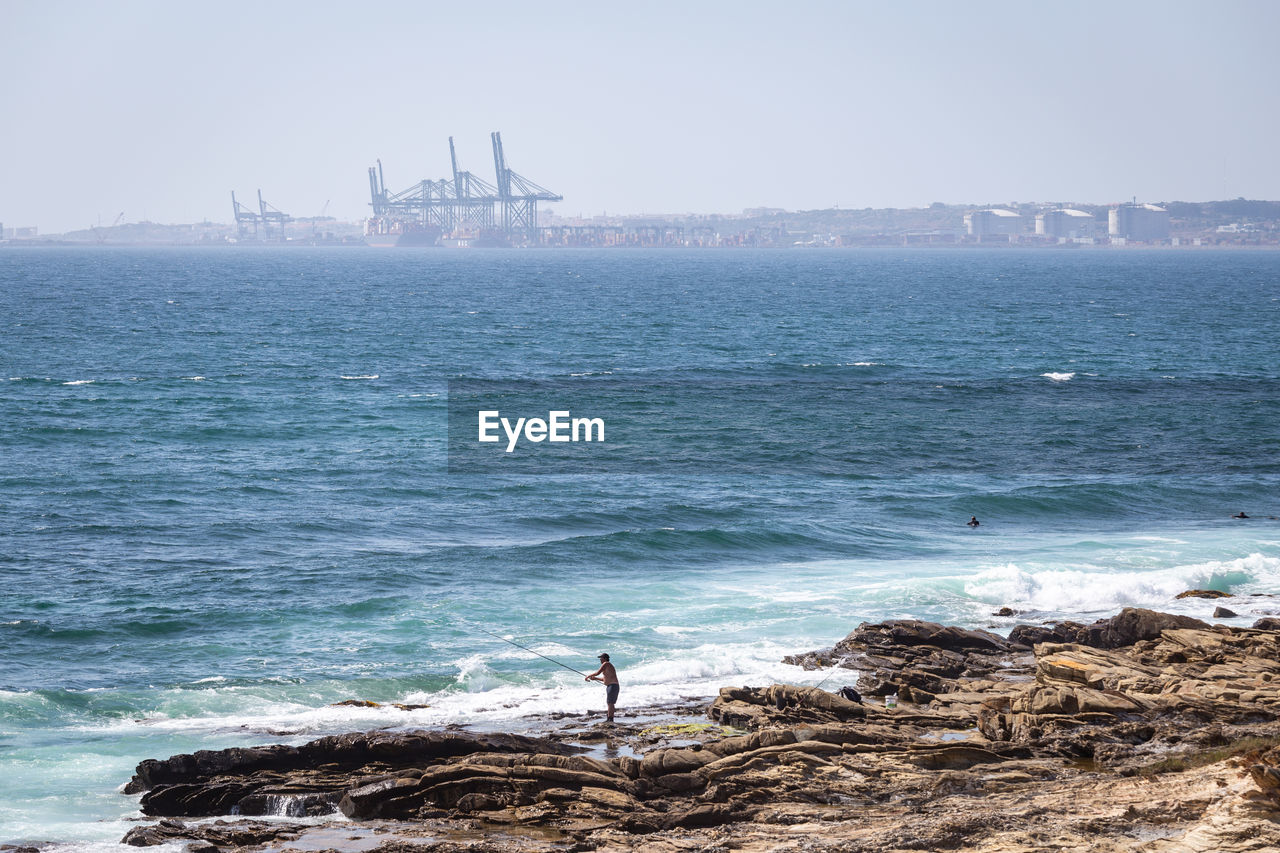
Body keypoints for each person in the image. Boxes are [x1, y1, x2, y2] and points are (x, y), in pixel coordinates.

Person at [585, 653, 619, 722]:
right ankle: (609, 718)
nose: (600, 659)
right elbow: (604, 679)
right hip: (611, 686)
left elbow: (598, 672)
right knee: (610, 703)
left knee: (610, 703)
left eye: (601, 658)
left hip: (613, 686)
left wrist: (588, 676)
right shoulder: (607, 667)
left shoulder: (606, 664)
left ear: (605, 658)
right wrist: (595, 678)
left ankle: (610, 719)